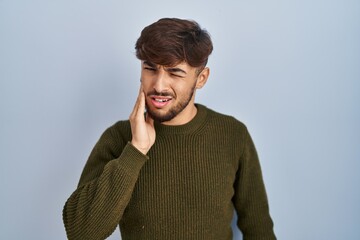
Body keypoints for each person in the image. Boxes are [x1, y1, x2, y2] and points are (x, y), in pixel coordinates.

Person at [63, 18, 276, 240]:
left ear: (201, 78)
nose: (159, 85)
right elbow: (81, 233)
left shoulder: (232, 135)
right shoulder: (118, 138)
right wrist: (135, 151)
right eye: (150, 69)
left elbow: (259, 229)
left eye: (175, 72)